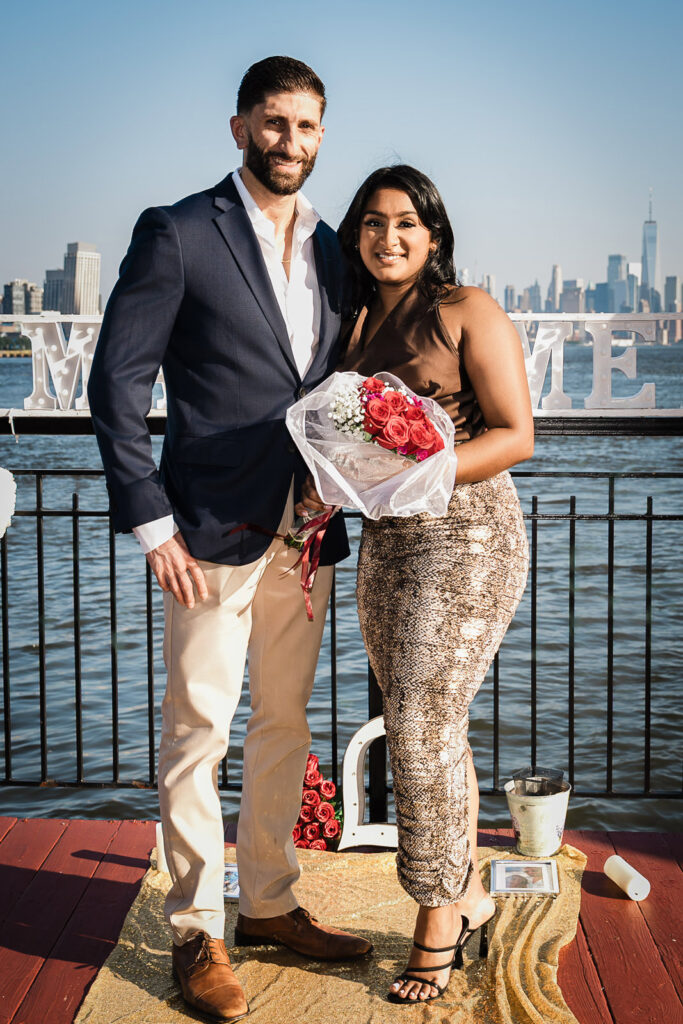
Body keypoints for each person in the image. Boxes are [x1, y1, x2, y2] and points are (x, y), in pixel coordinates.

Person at [88, 56, 371, 1024]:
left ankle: (268, 901)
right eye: (274, 122)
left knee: (285, 724)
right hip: (203, 528)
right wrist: (148, 518)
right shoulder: (177, 234)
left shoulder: (335, 249)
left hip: (306, 527)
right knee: (197, 730)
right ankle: (194, 927)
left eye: (307, 126)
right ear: (239, 126)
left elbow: (340, 386)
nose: (290, 141)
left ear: (322, 135)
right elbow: (116, 384)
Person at [297, 164, 533, 1004]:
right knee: (429, 724)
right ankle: (467, 894)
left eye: (405, 222)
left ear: (433, 234)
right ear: (355, 235)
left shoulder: (468, 310)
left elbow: (515, 435)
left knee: (420, 726)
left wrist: (424, 478)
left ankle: (435, 920)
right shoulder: (351, 325)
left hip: (467, 535)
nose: (386, 237)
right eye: (370, 222)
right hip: (387, 544)